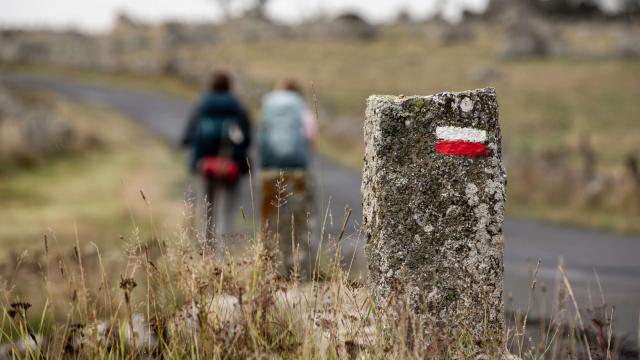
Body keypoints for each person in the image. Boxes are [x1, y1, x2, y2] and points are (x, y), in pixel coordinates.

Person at [182, 70, 252, 245]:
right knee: (226, 212)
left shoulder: (201, 107)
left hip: (205, 167)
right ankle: (222, 254)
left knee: (206, 211)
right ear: (229, 87)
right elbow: (247, 138)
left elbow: (187, 137)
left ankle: (204, 253)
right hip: (231, 168)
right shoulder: (237, 109)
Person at [259, 79, 317, 277]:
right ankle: (302, 270)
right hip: (298, 169)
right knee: (301, 221)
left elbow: (262, 133)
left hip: (271, 168)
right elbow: (310, 135)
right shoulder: (301, 106)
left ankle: (273, 269)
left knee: (272, 221)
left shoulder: (269, 104)